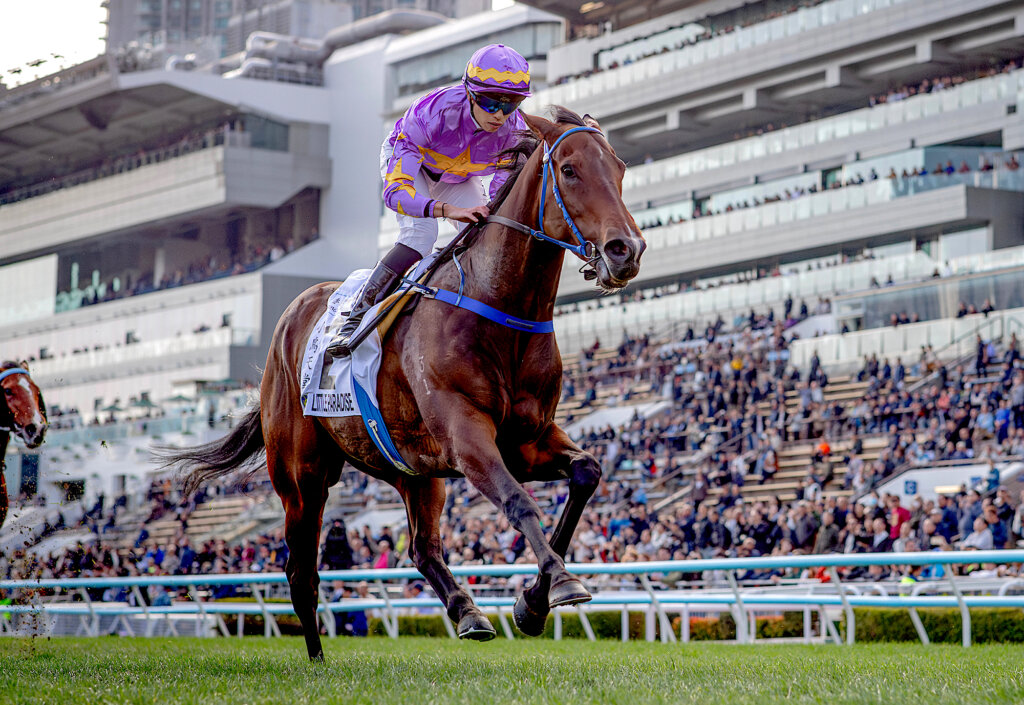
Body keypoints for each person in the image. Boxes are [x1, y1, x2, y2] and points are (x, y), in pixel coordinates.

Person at [327, 44, 532, 357]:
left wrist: (486, 215)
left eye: (511, 104)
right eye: (491, 102)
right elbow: (396, 194)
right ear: (471, 93)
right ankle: (355, 318)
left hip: (457, 176)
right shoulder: (431, 114)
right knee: (421, 235)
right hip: (413, 168)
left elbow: (499, 196)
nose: (501, 115)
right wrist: (448, 210)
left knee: (486, 230)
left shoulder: (516, 134)